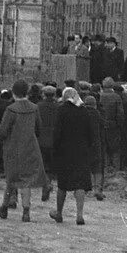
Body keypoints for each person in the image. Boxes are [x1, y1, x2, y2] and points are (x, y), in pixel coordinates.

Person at [0, 80, 46, 221]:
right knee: (26, 180)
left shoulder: (11, 109)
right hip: (30, 147)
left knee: (12, 178)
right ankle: (26, 211)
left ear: (14, 92)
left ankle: (4, 207)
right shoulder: (34, 108)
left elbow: (3, 132)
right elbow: (39, 129)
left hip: (14, 147)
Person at [49, 87, 99, 224]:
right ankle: (79, 215)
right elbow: (90, 133)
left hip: (65, 152)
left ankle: (59, 213)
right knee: (80, 184)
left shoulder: (61, 111)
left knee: (63, 184)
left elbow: (57, 133)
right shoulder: (84, 111)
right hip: (81, 152)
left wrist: (56, 149)